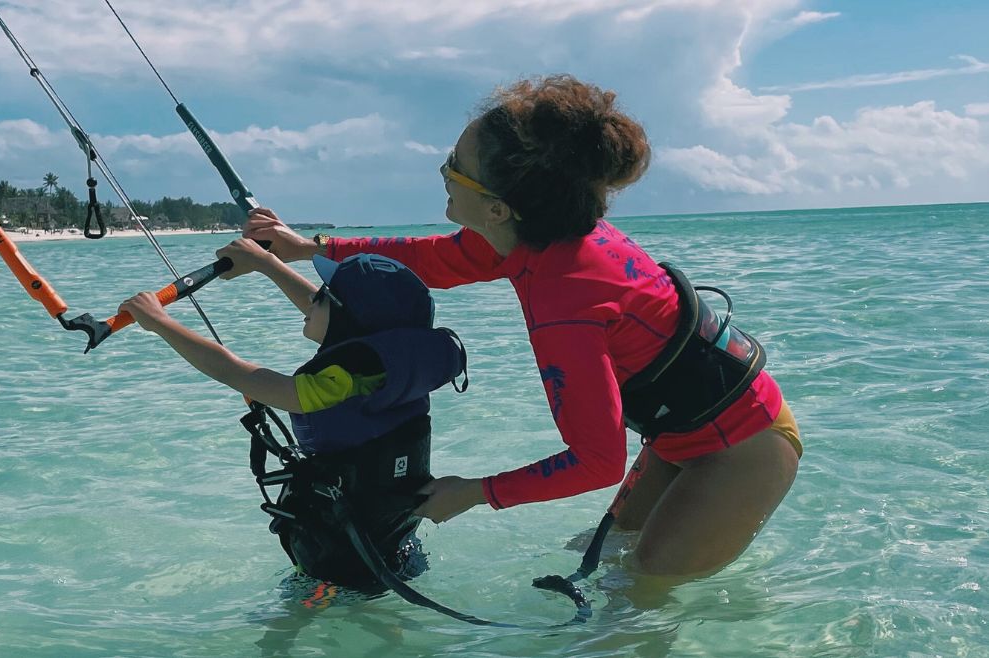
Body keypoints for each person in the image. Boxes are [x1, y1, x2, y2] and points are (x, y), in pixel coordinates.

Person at [241, 74, 802, 579]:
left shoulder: (568, 301)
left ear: (498, 209)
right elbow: (431, 259)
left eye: (454, 166)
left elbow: (597, 462)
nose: (443, 173)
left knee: (642, 589)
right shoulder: (537, 235)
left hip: (745, 450)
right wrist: (308, 246)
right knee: (600, 557)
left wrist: (474, 493)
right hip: (681, 436)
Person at [119, 240, 467, 587]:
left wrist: (159, 321)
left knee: (283, 629)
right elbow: (341, 318)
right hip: (394, 547)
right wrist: (265, 262)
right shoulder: (379, 375)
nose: (311, 299)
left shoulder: (329, 387)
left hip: (340, 568)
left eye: (322, 295)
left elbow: (231, 371)